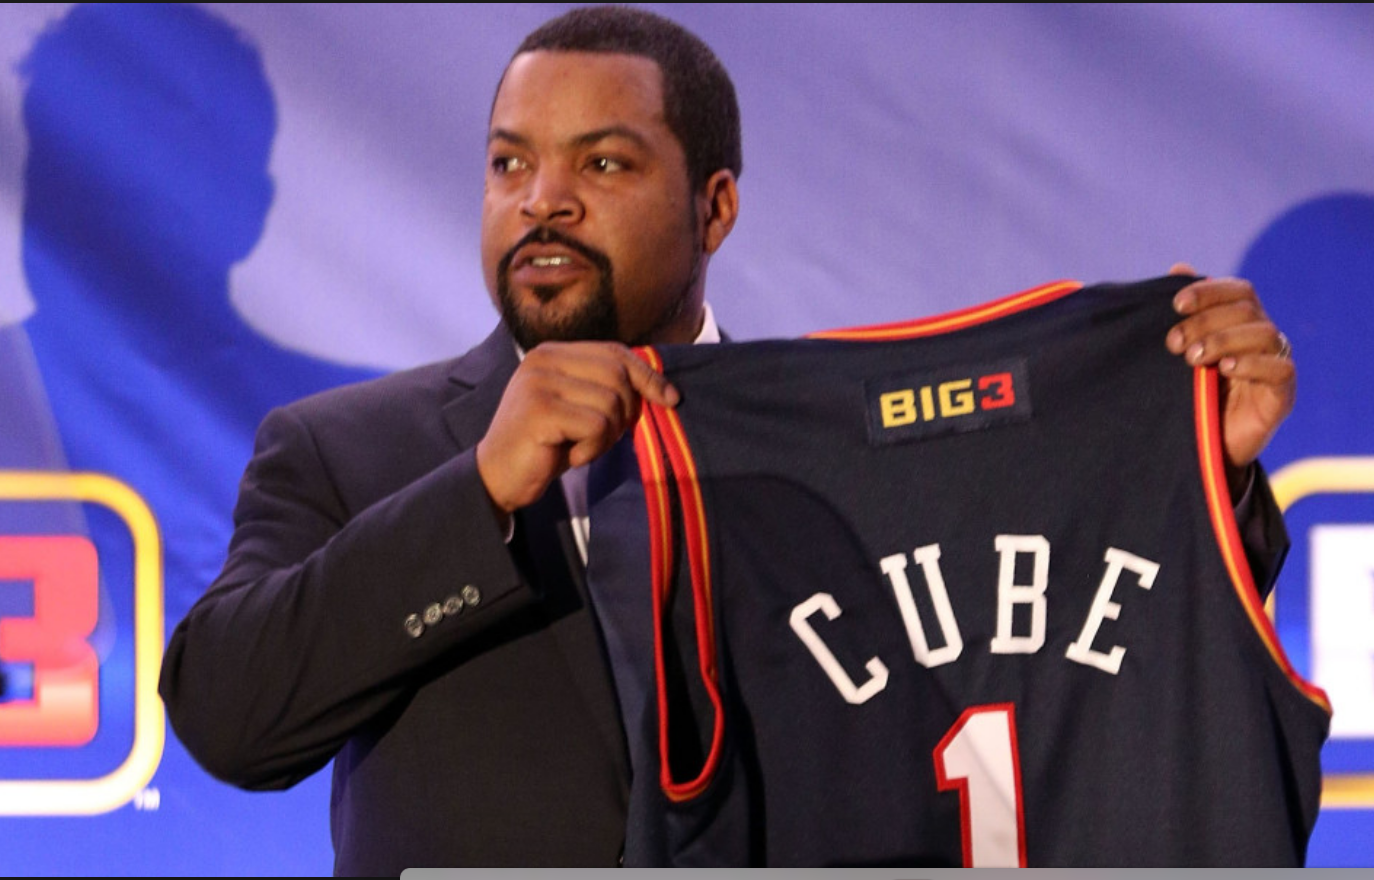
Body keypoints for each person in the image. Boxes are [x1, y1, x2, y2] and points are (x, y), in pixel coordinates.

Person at [158, 5, 1297, 874]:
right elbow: (229, 719)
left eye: (603, 163)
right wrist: (481, 493)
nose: (542, 200)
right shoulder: (345, 450)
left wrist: (1205, 471)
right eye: (510, 163)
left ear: (714, 208)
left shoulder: (850, 458)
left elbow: (1064, 643)